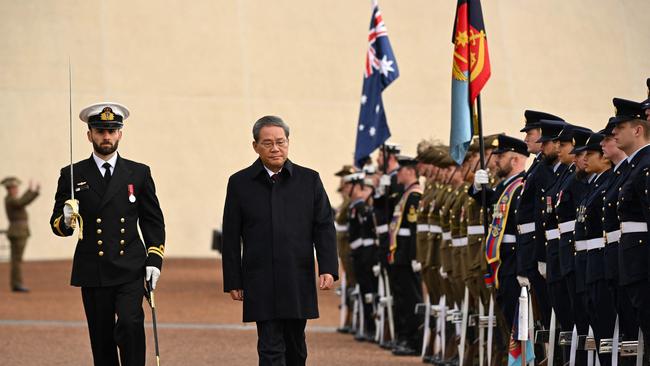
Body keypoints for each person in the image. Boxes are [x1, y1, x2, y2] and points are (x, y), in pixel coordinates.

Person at [49, 102, 166, 366]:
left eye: (112, 131)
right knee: (101, 338)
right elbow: (57, 225)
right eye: (100, 131)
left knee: (130, 322)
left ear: (120, 134)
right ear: (89, 134)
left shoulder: (139, 172)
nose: (106, 136)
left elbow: (152, 221)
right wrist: (66, 219)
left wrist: (154, 259)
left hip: (130, 266)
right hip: (94, 267)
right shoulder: (72, 174)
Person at [221, 115, 338, 366]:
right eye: (268, 143)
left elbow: (324, 226)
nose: (275, 148)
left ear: (288, 143)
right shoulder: (240, 183)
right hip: (260, 277)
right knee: (270, 347)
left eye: (280, 142)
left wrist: (328, 267)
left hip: (297, 275)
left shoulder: (309, 180)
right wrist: (233, 279)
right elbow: (230, 235)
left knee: (296, 346)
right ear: (255, 146)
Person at [2, 176, 39, 292]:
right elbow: (22, 202)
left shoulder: (10, 199)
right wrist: (32, 192)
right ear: (10, 189)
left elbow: (22, 201)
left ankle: (16, 283)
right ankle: (17, 284)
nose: (16, 189)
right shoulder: (11, 199)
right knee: (17, 260)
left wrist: (31, 192)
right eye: (14, 187)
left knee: (16, 260)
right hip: (18, 232)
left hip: (18, 231)